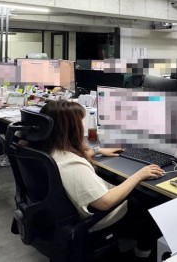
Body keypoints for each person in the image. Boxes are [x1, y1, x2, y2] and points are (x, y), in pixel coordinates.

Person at [37, 100, 164, 260]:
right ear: (71, 129)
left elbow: (71, 156)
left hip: (59, 216)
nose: (83, 127)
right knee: (150, 199)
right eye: (80, 122)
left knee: (122, 183)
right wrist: (139, 175)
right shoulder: (72, 165)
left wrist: (96, 150)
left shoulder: (47, 151)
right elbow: (105, 203)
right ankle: (142, 253)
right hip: (96, 216)